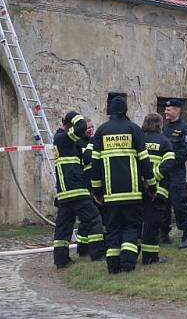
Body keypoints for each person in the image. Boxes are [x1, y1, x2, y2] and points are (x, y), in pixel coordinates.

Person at [90, 96, 156, 274]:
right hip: (132, 193)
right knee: (131, 227)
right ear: (125, 110)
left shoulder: (101, 131)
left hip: (110, 194)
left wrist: (97, 191)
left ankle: (113, 267)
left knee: (112, 229)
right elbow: (144, 160)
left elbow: (95, 164)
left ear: (110, 111)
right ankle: (127, 265)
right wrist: (151, 185)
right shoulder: (134, 129)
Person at [52, 111, 105, 268]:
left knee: (64, 228)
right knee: (94, 219)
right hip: (76, 190)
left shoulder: (61, 140)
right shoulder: (64, 138)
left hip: (64, 193)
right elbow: (81, 126)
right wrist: (73, 114)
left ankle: (61, 261)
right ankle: (98, 254)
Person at [140, 113, 176, 264]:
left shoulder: (139, 140)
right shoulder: (165, 142)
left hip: (139, 189)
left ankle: (130, 254)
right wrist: (153, 179)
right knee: (152, 224)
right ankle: (150, 258)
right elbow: (168, 164)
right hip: (158, 191)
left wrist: (145, 180)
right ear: (160, 124)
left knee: (136, 223)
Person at [161, 99, 187, 249]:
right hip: (164, 173)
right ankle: (163, 233)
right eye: (165, 109)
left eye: (168, 110)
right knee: (162, 202)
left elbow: (186, 151)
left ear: (177, 110)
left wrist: (169, 163)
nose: (165, 112)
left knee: (179, 201)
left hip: (176, 172)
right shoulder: (165, 128)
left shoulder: (185, 128)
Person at [76, 119, 103, 257]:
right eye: (88, 128)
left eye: (93, 127)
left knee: (89, 218)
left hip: (94, 184)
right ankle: (89, 249)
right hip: (84, 185)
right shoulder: (78, 143)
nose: (91, 130)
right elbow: (86, 159)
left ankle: (83, 248)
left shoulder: (91, 142)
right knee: (91, 218)